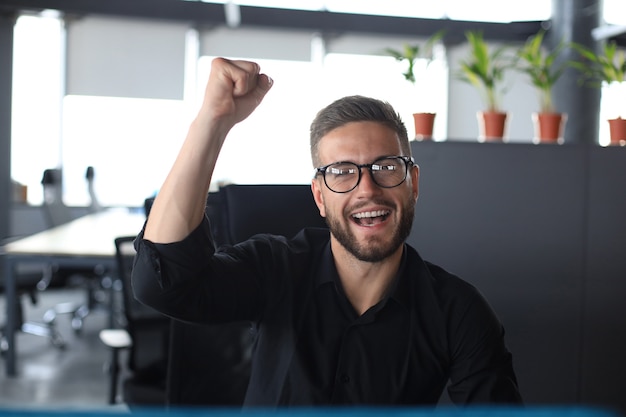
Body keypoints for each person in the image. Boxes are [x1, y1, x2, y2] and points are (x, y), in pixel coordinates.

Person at [132, 57, 522, 406]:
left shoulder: (458, 311)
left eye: (386, 167)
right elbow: (162, 282)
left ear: (413, 184)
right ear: (319, 196)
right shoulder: (276, 268)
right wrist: (212, 122)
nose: (367, 189)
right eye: (342, 172)